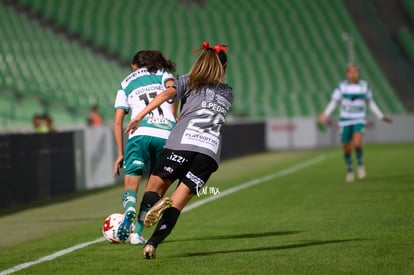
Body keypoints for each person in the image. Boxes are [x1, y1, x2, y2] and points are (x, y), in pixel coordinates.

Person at [125, 41, 233, 259]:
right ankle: (152, 245)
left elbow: (165, 95)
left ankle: (153, 205)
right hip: (208, 154)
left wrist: (139, 116)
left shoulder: (189, 81)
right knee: (177, 205)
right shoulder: (228, 93)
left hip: (181, 144)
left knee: (153, 190)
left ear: (200, 62)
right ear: (224, 69)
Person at [113, 50, 178, 245]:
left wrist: (120, 153)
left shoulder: (125, 83)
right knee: (155, 190)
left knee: (131, 186)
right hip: (165, 135)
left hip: (139, 134)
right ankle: (137, 234)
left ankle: (130, 207)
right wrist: (174, 118)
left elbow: (118, 122)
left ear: (135, 66)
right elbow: (173, 91)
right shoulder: (164, 74)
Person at [317, 64, 392, 182]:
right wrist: (325, 114)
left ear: (358, 73)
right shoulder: (342, 87)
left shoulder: (364, 86)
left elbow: (370, 103)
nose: (353, 74)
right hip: (345, 120)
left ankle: (360, 165)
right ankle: (350, 170)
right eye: (350, 72)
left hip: (359, 119)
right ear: (347, 74)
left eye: (355, 72)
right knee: (346, 147)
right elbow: (333, 102)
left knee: (357, 144)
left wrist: (380, 116)